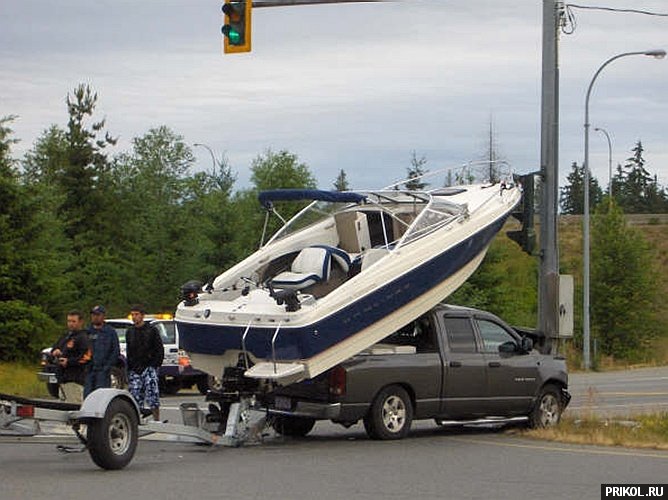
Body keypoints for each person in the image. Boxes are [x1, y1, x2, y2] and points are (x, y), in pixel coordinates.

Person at [125, 305, 164, 420]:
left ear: (142, 315)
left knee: (153, 395)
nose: (134, 317)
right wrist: (130, 367)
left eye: (136, 314)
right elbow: (129, 350)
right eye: (132, 315)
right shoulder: (130, 332)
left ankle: (157, 419)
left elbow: (159, 348)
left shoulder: (151, 330)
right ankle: (136, 419)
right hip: (135, 369)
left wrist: (154, 364)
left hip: (149, 367)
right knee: (135, 395)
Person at [50, 310, 91, 403]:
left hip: (75, 379)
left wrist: (69, 362)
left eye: (73, 321)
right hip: (63, 379)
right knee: (63, 410)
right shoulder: (66, 336)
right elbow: (55, 347)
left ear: (80, 322)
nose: (70, 324)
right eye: (69, 321)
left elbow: (86, 358)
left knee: (74, 409)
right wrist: (55, 352)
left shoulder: (83, 338)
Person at [84, 305, 121, 398]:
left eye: (98, 315)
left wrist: (107, 367)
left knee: (101, 397)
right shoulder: (87, 331)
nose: (95, 317)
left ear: (103, 316)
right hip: (89, 370)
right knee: (88, 396)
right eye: (93, 315)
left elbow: (115, 351)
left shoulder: (110, 332)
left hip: (103, 371)